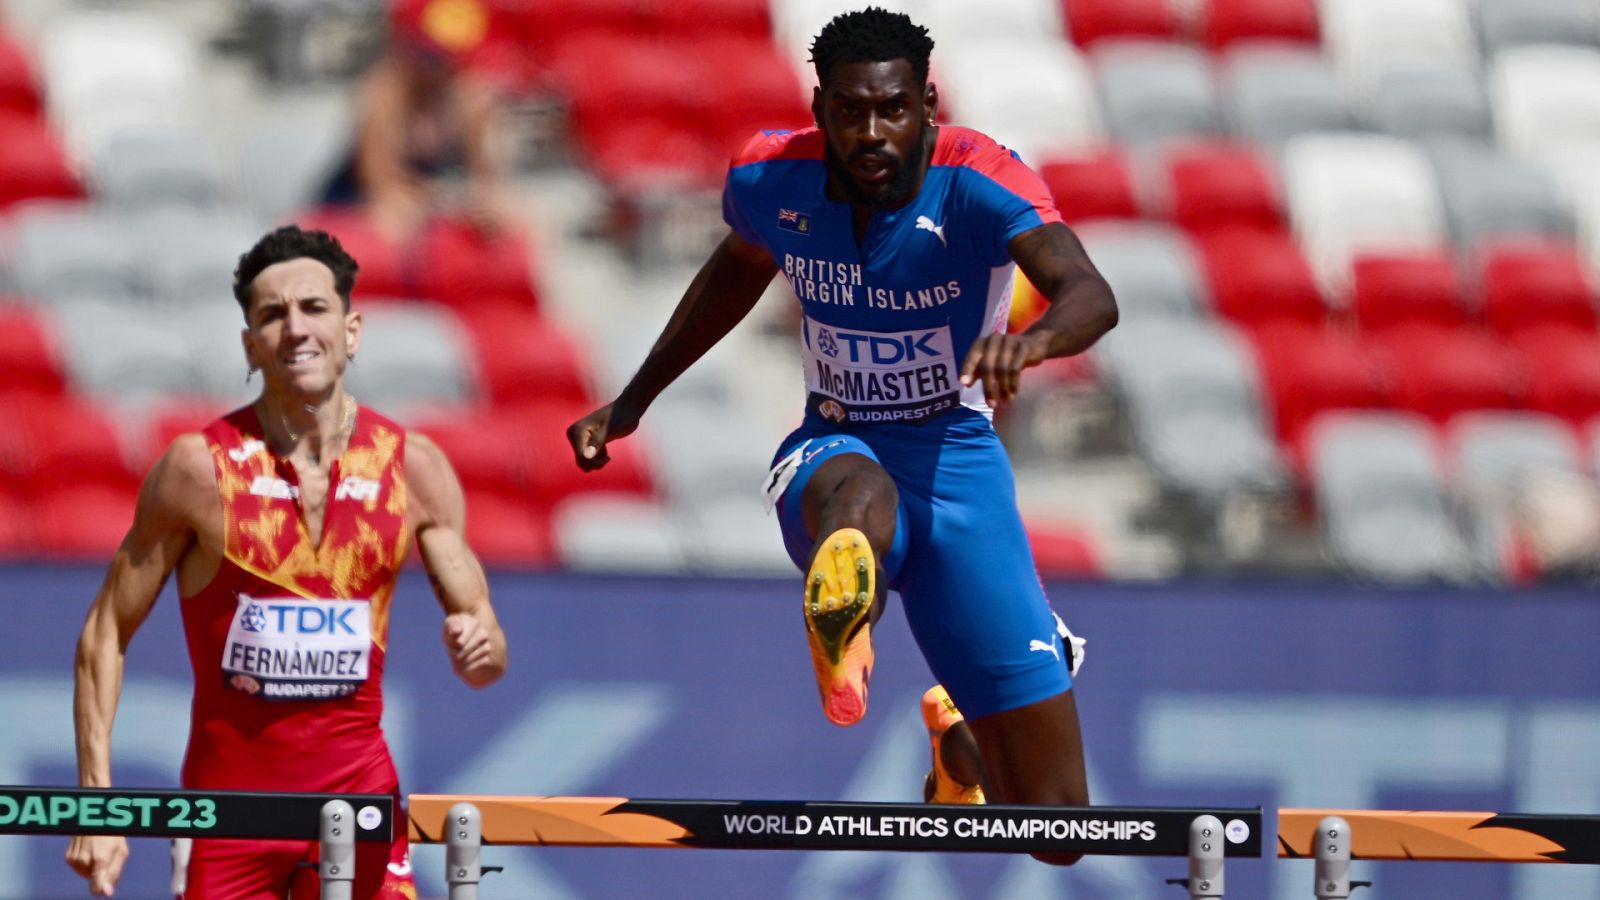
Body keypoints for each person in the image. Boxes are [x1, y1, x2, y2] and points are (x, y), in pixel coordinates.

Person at [566, 7, 1116, 864]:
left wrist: (1034, 340)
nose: (871, 134)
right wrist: (634, 399)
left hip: (960, 471)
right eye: (849, 112)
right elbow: (735, 271)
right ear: (818, 108)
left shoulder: (982, 178)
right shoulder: (769, 179)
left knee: (1057, 832)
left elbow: (1088, 290)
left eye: (893, 109)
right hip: (835, 445)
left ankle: (959, 739)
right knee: (863, 503)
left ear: (927, 105)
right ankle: (844, 625)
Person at [66, 225, 508, 897]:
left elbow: (487, 648)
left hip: (359, 806)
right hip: (227, 820)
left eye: (314, 307)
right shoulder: (197, 469)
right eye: (272, 315)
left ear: (352, 330)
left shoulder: (413, 468)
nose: (295, 328)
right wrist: (94, 802)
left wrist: (481, 649)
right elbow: (104, 634)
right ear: (250, 345)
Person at [321, 0, 521, 243]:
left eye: (452, 55)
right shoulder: (381, 95)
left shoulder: (470, 97)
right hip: (353, 204)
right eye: (433, 57)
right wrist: (443, 200)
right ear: (407, 46)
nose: (442, 68)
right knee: (395, 219)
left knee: (508, 220)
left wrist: (483, 206)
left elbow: (490, 184)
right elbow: (380, 186)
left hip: (426, 199)